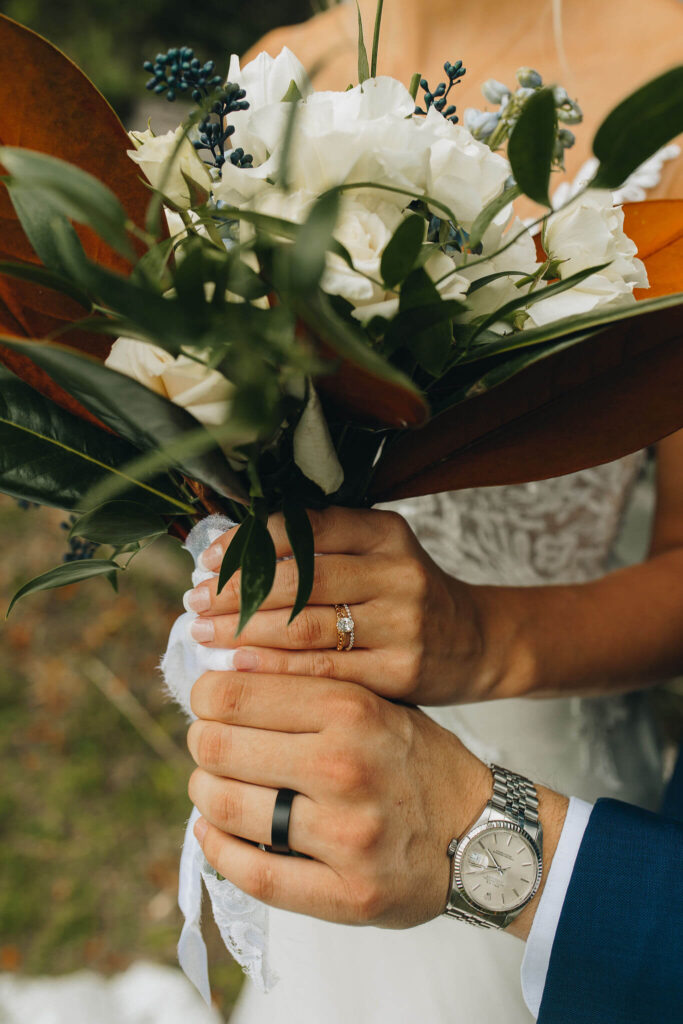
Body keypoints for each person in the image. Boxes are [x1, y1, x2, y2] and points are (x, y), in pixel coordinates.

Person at [182, 0, 683, 1019]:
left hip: (544, 784)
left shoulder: (664, 70)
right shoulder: (279, 75)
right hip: (306, 758)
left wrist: (482, 636)